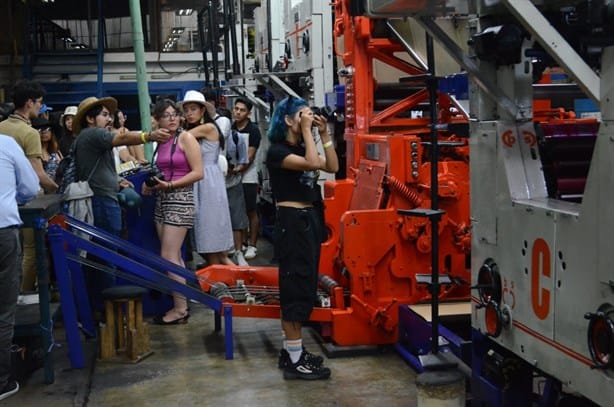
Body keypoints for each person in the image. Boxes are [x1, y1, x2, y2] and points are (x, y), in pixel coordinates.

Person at [72, 96, 172, 308]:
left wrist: (117, 180)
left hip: (102, 198)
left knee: (98, 258)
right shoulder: (94, 134)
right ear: (90, 118)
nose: (109, 120)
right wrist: (149, 136)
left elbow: (99, 169)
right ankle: (110, 311)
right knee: (107, 257)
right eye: (104, 115)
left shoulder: (89, 138)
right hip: (102, 202)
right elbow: (122, 139)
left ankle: (94, 309)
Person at [266, 96, 338, 380]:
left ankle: (291, 350)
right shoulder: (278, 151)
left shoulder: (300, 147)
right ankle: (295, 360)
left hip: (307, 222)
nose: (308, 118)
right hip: (292, 224)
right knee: (294, 288)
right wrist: (309, 132)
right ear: (288, 120)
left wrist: (324, 133)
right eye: (302, 114)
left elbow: (331, 166)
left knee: (304, 284)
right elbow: (311, 163)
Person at [142, 99, 203, 324]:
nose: (173, 118)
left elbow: (198, 172)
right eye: (166, 115)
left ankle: (181, 309)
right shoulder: (161, 141)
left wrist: (170, 185)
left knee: (168, 255)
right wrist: (151, 182)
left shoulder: (186, 138)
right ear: (157, 119)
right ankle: (182, 305)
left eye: (175, 114)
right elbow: (160, 168)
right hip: (162, 199)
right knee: (173, 256)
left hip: (180, 198)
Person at [0, 80, 56, 294]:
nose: (40, 108)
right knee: (32, 251)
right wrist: (57, 190)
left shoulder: (2, 128)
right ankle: (24, 296)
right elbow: (38, 175)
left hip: (4, 201)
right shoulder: (29, 133)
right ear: (29, 103)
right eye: (39, 103)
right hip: (26, 202)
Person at [0, 134, 40, 401]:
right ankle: (1, 382)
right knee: (3, 310)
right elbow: (30, 187)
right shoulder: (6, 144)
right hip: (3, 231)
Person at [181, 90, 235, 266]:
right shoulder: (194, 130)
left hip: (208, 184)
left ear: (203, 110)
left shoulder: (208, 128)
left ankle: (238, 285)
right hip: (201, 183)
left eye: (193, 109)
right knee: (211, 248)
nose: (189, 113)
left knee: (214, 246)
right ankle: (237, 286)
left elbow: (182, 138)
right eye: (186, 109)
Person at [202, 88, 249, 265]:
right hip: (208, 185)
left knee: (235, 219)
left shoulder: (226, 129)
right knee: (215, 227)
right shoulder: (195, 127)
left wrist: (234, 170)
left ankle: (237, 253)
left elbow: (243, 160)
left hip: (229, 182)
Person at [232, 97, 262, 260]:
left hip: (248, 177)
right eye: (236, 109)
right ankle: (241, 243)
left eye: (242, 110)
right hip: (234, 175)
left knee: (250, 210)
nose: (237, 112)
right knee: (238, 211)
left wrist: (238, 170)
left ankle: (252, 245)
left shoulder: (253, 130)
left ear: (248, 113)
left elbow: (249, 157)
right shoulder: (231, 128)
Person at [32, 117, 63, 184]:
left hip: (57, 188)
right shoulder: (32, 152)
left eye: (47, 129)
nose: (44, 132)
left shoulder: (57, 152)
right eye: (39, 130)